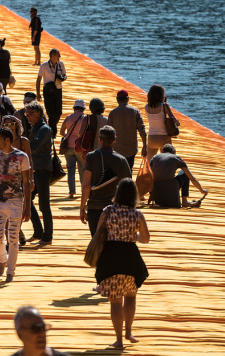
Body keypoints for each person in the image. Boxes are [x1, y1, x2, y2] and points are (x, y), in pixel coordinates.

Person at [95, 179, 150, 349]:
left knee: (116, 301)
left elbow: (98, 234)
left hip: (111, 257)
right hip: (130, 258)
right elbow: (146, 239)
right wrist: (133, 236)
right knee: (131, 296)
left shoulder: (107, 211)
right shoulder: (137, 215)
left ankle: (119, 340)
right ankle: (129, 332)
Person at [0, 128, 31, 283]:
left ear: (7, 140)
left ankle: (10, 271)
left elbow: (26, 183)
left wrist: (27, 207)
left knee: (13, 237)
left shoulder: (21, 157)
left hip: (16, 201)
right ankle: (3, 260)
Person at [79, 126, 133, 236]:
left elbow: (86, 185)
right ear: (115, 139)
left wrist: (82, 208)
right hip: (114, 209)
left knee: (96, 242)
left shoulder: (91, 157)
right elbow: (129, 187)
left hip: (95, 207)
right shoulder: (122, 160)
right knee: (112, 242)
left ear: (99, 140)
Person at [24, 102, 54, 246]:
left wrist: (21, 144)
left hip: (42, 170)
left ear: (39, 114)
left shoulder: (44, 129)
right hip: (35, 169)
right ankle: (38, 232)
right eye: (26, 113)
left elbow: (34, 147)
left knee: (44, 204)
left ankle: (47, 237)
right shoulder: (35, 127)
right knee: (27, 200)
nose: (27, 116)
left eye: (30, 113)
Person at [106, 90, 147, 166]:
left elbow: (108, 132)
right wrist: (144, 147)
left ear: (117, 100)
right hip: (131, 148)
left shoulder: (113, 113)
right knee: (129, 170)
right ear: (128, 99)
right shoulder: (135, 111)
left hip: (117, 149)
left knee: (117, 172)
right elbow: (142, 130)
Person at [59, 99, 87, 198]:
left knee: (70, 170)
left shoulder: (68, 117)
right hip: (79, 147)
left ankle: (71, 192)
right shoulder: (85, 118)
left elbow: (61, 132)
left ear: (74, 108)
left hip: (68, 147)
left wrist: (67, 136)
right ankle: (84, 190)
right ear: (83, 108)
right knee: (82, 169)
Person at [35, 49, 66, 137]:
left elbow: (65, 75)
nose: (59, 57)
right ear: (52, 56)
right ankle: (52, 133)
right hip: (48, 91)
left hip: (58, 90)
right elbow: (38, 80)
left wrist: (62, 78)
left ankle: (50, 127)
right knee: (51, 113)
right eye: (58, 55)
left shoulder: (61, 64)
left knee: (59, 112)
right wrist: (38, 93)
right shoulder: (44, 65)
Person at [144, 84, 179, 156]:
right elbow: (175, 121)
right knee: (166, 162)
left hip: (151, 138)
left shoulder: (146, 107)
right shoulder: (164, 106)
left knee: (149, 164)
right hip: (164, 138)